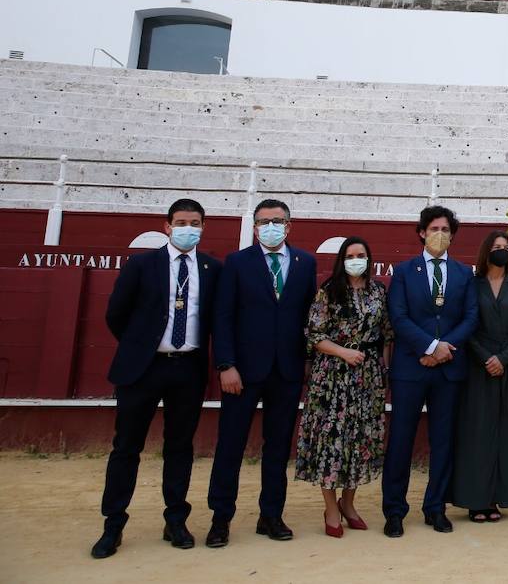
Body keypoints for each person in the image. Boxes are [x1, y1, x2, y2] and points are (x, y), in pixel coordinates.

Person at [92, 199, 221, 559]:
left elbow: (216, 318)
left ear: (203, 227)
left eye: (195, 222)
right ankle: (113, 525)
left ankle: (176, 521)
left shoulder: (212, 268)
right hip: (143, 368)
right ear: (167, 226)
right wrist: (142, 347)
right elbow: (116, 314)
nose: (187, 228)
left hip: (188, 369)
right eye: (181, 221)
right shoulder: (141, 264)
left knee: (179, 447)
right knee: (126, 448)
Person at [207, 199, 316, 548]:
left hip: (286, 370)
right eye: (264, 221)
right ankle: (220, 518)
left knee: (278, 447)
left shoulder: (305, 262)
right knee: (231, 446)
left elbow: (308, 318)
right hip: (243, 371)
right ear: (255, 227)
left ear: (289, 225)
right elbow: (222, 316)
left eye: (278, 220)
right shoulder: (237, 262)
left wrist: (307, 364)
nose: (271, 226)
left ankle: (271, 515)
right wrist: (226, 364)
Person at [382, 205, 478, 537]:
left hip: (448, 368)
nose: (440, 235)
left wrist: (442, 349)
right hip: (411, 368)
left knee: (443, 441)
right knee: (400, 442)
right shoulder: (405, 271)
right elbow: (399, 316)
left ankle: (435, 507)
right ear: (422, 232)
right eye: (434, 228)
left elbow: (470, 318)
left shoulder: (465, 273)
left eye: (446, 230)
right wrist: (428, 347)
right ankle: (394, 510)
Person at [295, 237, 392, 538]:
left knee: (360, 441)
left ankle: (348, 503)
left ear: (368, 258)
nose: (356, 260)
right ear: (342, 259)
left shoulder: (378, 291)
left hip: (368, 378)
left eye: (361, 255)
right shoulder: (329, 291)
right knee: (330, 441)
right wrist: (343, 352)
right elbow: (314, 335)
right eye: (350, 255)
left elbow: (387, 333)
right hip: (332, 377)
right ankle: (331, 507)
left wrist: (383, 367)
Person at [451, 230, 508, 523]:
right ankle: (475, 500)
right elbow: (466, 326)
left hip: (507, 369)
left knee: (504, 435)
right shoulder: (472, 285)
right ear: (486, 251)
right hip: (477, 368)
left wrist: (504, 358)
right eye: (496, 247)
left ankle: (496, 499)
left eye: (506, 247)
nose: (502, 251)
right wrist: (486, 358)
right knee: (477, 434)